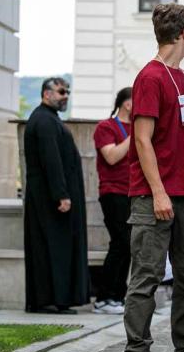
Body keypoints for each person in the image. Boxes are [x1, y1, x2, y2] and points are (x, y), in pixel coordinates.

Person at [123, 4, 184, 352]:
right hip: (154, 195)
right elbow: (142, 140)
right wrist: (159, 193)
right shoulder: (150, 77)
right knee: (146, 274)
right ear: (183, 34)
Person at [23, 77, 89, 314]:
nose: (65, 96)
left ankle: (50, 299)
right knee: (53, 249)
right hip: (50, 202)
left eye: (67, 91)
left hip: (50, 200)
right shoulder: (43, 121)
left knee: (53, 248)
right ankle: (52, 300)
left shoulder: (48, 119)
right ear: (46, 93)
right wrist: (61, 195)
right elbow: (51, 162)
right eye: (61, 91)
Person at [93, 86, 134, 315]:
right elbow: (111, 156)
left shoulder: (137, 129)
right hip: (113, 192)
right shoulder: (106, 127)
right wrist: (133, 135)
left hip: (132, 193)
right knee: (120, 242)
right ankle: (104, 297)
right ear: (127, 104)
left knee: (129, 244)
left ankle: (118, 296)